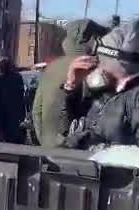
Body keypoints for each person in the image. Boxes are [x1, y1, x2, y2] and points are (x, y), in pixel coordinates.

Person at [61, 19, 139, 158]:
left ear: (115, 61)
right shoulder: (107, 92)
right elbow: (75, 125)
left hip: (119, 179)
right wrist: (71, 85)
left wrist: (97, 150)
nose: (97, 62)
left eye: (100, 58)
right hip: (94, 176)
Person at [32, 18, 107, 147]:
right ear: (92, 41)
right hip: (74, 150)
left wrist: (45, 141)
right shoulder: (87, 68)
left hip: (48, 145)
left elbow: (36, 110)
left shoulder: (52, 66)